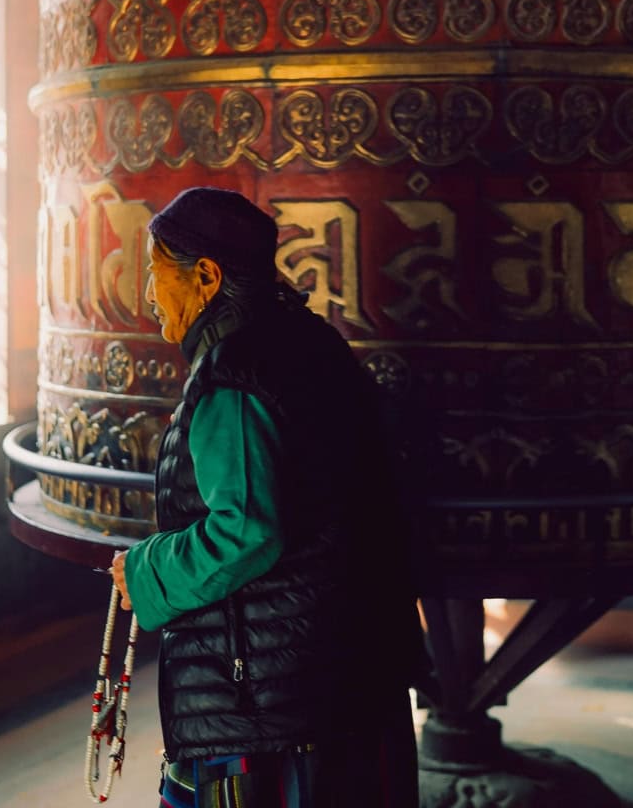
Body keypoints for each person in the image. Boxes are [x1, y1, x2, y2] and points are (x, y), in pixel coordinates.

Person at [110, 186, 424, 808]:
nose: (150, 295)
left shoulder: (235, 377)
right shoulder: (312, 344)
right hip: (347, 668)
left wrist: (145, 571)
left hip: (274, 696)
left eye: (157, 275)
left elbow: (246, 529)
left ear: (205, 275)